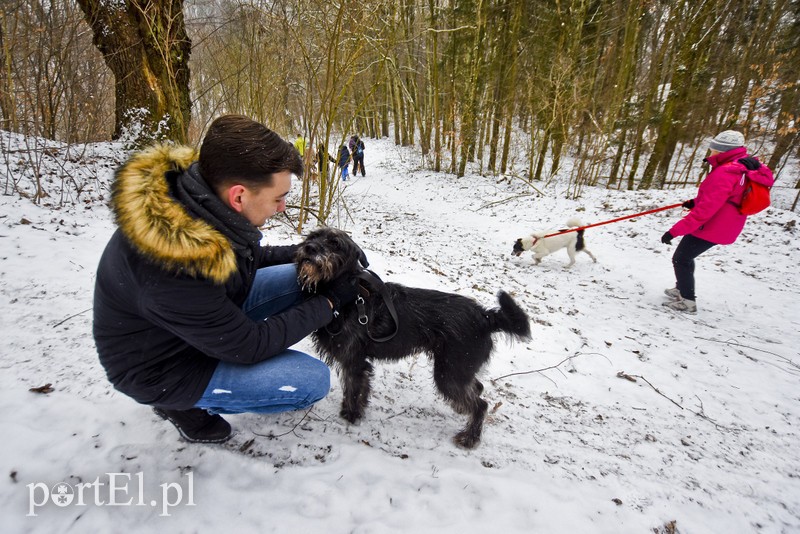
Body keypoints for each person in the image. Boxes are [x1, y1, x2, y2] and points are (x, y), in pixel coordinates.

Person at [93, 115, 364, 443]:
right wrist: (331, 302)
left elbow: (251, 259)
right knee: (310, 381)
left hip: (198, 319)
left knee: (297, 278)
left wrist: (326, 252)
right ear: (239, 197)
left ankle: (215, 352)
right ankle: (179, 406)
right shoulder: (173, 269)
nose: (282, 207)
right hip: (162, 366)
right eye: (278, 198)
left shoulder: (203, 202)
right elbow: (251, 345)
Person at [660, 130, 774, 313]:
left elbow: (705, 211)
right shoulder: (743, 166)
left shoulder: (726, 172)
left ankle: (688, 301)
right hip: (727, 224)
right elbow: (722, 198)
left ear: (722, 151)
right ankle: (682, 289)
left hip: (712, 226)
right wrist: (694, 202)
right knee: (686, 257)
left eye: (713, 149)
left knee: (681, 258)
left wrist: (673, 231)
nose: (710, 152)